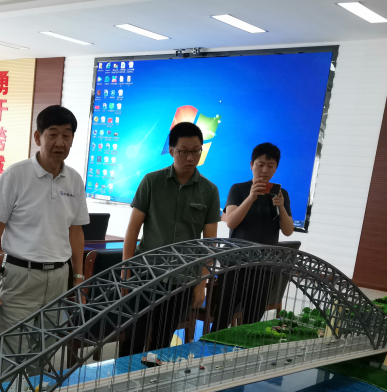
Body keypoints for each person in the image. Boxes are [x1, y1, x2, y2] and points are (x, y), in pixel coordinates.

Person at [0, 105, 89, 356]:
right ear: (38, 137)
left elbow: (76, 232)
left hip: (59, 278)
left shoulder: (75, 180)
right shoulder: (16, 175)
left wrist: (79, 277)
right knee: (12, 354)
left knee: (46, 355)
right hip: (20, 277)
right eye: (53, 134)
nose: (60, 142)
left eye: (66, 135)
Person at [119, 121, 221, 357]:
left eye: (196, 151)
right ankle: (122, 378)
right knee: (133, 339)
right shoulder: (151, 182)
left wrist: (201, 285)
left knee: (163, 341)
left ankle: (155, 378)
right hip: (145, 277)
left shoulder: (209, 191)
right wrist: (126, 274)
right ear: (172, 150)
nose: (190, 157)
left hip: (182, 280)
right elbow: (132, 230)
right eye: (184, 151)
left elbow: (210, 244)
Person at [212, 142, 295, 329]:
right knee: (222, 319)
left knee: (251, 323)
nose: (265, 170)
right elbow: (231, 222)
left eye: (270, 166)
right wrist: (251, 197)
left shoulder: (281, 194)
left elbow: (288, 231)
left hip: (264, 267)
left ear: (276, 168)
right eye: (260, 164)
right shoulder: (238, 189)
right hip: (234, 265)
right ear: (251, 165)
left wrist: (281, 207)